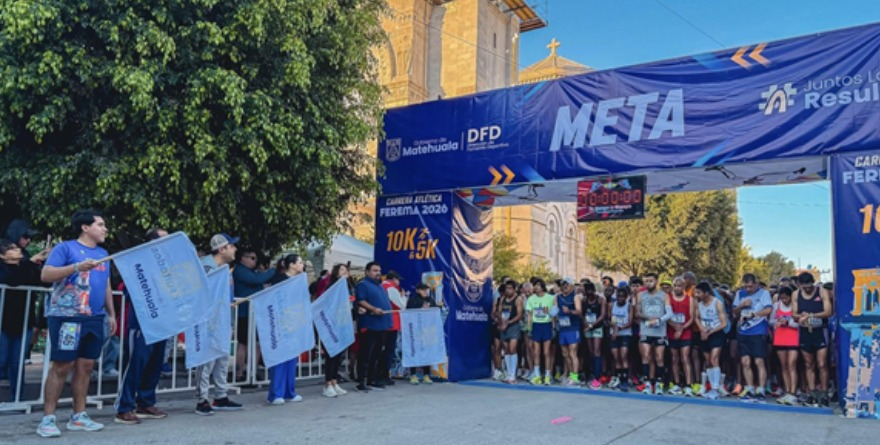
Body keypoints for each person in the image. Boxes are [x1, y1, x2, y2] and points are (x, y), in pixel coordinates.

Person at [37, 210, 117, 438]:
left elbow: (106, 284)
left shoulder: (103, 254)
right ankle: (48, 418)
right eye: (100, 224)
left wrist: (111, 314)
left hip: (94, 317)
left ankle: (78, 416)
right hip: (67, 317)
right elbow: (46, 274)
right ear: (85, 227)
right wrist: (76, 268)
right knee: (62, 366)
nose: (105, 229)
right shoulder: (65, 248)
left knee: (86, 367)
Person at [113, 228, 170, 424]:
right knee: (135, 364)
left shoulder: (167, 266)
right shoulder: (138, 264)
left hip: (162, 322)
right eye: (165, 238)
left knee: (154, 363)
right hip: (141, 323)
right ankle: (124, 407)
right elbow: (132, 292)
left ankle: (145, 402)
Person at [195, 233, 243, 415]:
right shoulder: (206, 267)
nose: (235, 249)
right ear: (222, 249)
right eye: (232, 246)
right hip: (207, 321)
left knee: (222, 359)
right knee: (206, 361)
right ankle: (202, 399)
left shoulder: (225, 268)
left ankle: (220, 396)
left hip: (223, 319)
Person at [0, 238, 43, 402]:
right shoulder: (5, 268)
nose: (17, 250)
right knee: (2, 359)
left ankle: (17, 398)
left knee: (17, 363)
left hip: (24, 321)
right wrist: (30, 263)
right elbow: (12, 280)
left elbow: (41, 281)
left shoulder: (27, 267)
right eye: (11, 248)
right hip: (3, 322)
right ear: (2, 256)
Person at [265, 254, 306, 405]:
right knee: (280, 358)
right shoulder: (279, 280)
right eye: (300, 262)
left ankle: (290, 391)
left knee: (291, 358)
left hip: (294, 323)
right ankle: (276, 393)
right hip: (281, 323)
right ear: (292, 265)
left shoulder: (300, 280)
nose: (302, 266)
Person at [232, 248, 275, 381]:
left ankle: (253, 370)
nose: (254, 261)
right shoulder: (240, 271)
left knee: (257, 342)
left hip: (256, 312)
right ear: (242, 258)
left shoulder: (251, 271)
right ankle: (239, 372)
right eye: (252, 258)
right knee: (243, 342)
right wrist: (273, 270)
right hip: (244, 312)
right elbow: (256, 280)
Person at [792, 272, 832, 407]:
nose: (808, 289)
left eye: (810, 287)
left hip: (820, 330)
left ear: (813, 283)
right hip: (805, 331)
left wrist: (811, 315)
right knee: (808, 364)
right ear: (800, 285)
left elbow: (828, 312)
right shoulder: (796, 294)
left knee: (821, 364)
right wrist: (799, 317)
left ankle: (824, 393)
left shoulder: (822, 292)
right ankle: (812, 393)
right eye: (805, 287)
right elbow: (794, 313)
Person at [733, 273, 773, 403]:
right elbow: (734, 311)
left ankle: (760, 389)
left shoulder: (764, 294)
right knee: (745, 361)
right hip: (743, 331)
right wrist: (741, 305)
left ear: (756, 283)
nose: (748, 289)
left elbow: (768, 310)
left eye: (750, 286)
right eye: (746, 287)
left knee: (759, 361)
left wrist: (754, 313)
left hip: (758, 330)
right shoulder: (740, 293)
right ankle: (749, 388)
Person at [316, 263, 352, 397]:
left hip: (343, 324)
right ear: (336, 272)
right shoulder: (332, 287)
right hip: (332, 324)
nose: (345, 271)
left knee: (339, 355)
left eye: (346, 269)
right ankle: (328, 384)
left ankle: (334, 381)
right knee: (331, 355)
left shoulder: (348, 287)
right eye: (342, 269)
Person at [355, 262, 392, 392]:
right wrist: (373, 309)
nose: (378, 273)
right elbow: (361, 300)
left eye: (379, 270)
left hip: (381, 325)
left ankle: (372, 379)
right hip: (370, 325)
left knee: (377, 354)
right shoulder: (363, 285)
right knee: (366, 354)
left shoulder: (380, 286)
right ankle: (361, 381)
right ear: (367, 272)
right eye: (375, 270)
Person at [635, 273, 672, 395]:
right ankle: (647, 382)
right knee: (646, 356)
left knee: (659, 357)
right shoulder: (640, 295)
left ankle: (659, 383)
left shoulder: (664, 296)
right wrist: (648, 318)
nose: (648, 283)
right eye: (646, 281)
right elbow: (637, 312)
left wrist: (658, 320)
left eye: (651, 281)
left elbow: (669, 313)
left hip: (660, 330)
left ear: (656, 281)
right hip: (646, 329)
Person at [694, 282, 728, 400]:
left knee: (714, 359)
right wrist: (702, 330)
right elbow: (696, 318)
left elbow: (724, 323)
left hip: (716, 333)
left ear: (706, 293)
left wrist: (710, 332)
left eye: (698, 292)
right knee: (707, 360)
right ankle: (707, 386)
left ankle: (715, 388)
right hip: (704, 333)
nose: (696, 294)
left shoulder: (717, 303)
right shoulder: (699, 304)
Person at [770, 286, 799, 405]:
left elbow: (798, 324)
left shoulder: (795, 306)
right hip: (780, 337)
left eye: (786, 298)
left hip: (793, 337)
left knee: (792, 364)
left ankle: (793, 392)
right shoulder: (776, 306)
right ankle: (787, 391)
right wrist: (776, 322)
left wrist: (788, 323)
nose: (784, 301)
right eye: (782, 298)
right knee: (784, 366)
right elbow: (771, 321)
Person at [667, 277, 695, 396]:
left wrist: (682, 328)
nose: (677, 288)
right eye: (675, 286)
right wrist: (675, 327)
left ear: (684, 287)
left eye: (680, 286)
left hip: (685, 332)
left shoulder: (690, 300)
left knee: (685, 357)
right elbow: (666, 315)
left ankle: (688, 384)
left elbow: (692, 317)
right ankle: (677, 383)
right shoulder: (668, 298)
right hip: (672, 331)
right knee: (674, 358)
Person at [406, 282, 439, 384]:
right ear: (417, 290)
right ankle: (413, 375)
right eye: (423, 289)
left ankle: (426, 375)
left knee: (427, 352)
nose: (425, 292)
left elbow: (435, 312)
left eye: (426, 289)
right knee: (414, 352)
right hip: (415, 330)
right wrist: (421, 309)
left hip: (427, 330)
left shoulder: (430, 300)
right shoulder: (413, 300)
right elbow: (409, 313)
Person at [493, 281, 524, 384]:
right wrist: (501, 322)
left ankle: (513, 374)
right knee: (506, 349)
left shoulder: (518, 299)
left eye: (510, 288)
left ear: (515, 289)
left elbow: (519, 315)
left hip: (513, 326)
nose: (508, 290)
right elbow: (500, 312)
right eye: (507, 288)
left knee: (512, 348)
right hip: (504, 325)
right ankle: (508, 373)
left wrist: (509, 322)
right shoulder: (502, 299)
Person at [552, 278, 580, 386]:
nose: (565, 287)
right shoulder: (557, 297)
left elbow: (579, 311)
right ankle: (568, 374)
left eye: (567, 285)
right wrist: (553, 322)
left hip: (573, 327)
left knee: (573, 352)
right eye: (563, 285)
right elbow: (554, 311)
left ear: (572, 286)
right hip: (562, 327)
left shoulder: (575, 296)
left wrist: (570, 311)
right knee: (565, 353)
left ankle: (575, 376)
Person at [526, 279, 555, 386]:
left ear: (543, 286)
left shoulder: (550, 298)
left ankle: (548, 375)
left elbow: (554, 313)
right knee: (536, 352)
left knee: (546, 352)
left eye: (538, 285)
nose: (536, 287)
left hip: (546, 325)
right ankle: (537, 375)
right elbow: (529, 315)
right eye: (535, 285)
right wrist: (529, 329)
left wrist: (553, 327)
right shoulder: (531, 299)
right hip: (536, 325)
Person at [379, 271, 404, 386]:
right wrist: (403, 297)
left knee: (381, 350)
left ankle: (379, 374)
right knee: (388, 350)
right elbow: (401, 305)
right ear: (394, 279)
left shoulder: (381, 286)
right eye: (398, 280)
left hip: (382, 322)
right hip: (391, 323)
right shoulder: (391, 288)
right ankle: (383, 375)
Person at [608, 284, 634, 392]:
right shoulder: (611, 305)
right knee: (616, 357)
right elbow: (609, 320)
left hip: (625, 333)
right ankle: (618, 377)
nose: (620, 299)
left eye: (623, 296)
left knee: (624, 355)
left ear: (626, 297)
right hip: (614, 333)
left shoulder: (629, 306)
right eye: (619, 296)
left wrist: (619, 328)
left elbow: (630, 322)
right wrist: (614, 328)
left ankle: (625, 379)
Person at [581, 281, 604, 389]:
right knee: (590, 352)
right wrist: (586, 324)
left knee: (597, 351)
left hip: (597, 327)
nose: (589, 293)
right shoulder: (584, 300)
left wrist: (592, 325)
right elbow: (582, 314)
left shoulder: (600, 300)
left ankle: (598, 376)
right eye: (587, 291)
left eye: (590, 291)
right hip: (588, 326)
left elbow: (603, 315)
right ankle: (591, 373)